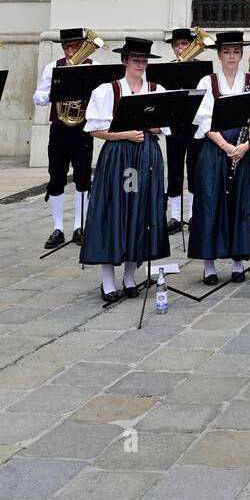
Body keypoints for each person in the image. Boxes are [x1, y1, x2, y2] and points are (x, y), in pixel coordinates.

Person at [80, 37, 169, 303]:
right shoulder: (107, 91)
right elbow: (95, 129)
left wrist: (148, 127)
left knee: (140, 212)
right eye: (135, 60)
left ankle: (130, 276)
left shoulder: (156, 89)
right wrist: (125, 134)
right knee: (114, 210)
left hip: (147, 156)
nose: (140, 64)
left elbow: (164, 126)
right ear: (125, 61)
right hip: (119, 158)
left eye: (144, 60)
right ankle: (108, 280)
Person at [188, 31, 250, 285]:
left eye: (236, 51)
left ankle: (237, 262)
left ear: (242, 55)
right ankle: (209, 265)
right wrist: (225, 145)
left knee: (241, 205)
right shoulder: (206, 81)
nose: (231, 56)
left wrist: (245, 145)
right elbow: (203, 120)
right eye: (226, 52)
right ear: (219, 55)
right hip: (215, 149)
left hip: (245, 150)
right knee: (212, 204)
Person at [32, 28, 95, 248]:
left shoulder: (92, 67)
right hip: (59, 129)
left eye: (75, 47)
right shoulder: (53, 67)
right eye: (67, 47)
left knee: (83, 179)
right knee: (56, 178)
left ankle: (80, 226)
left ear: (82, 47)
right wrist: (51, 95)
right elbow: (37, 97)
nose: (70, 51)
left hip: (82, 129)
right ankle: (58, 228)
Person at [164, 28, 206, 235]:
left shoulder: (202, 70)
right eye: (177, 45)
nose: (180, 48)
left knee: (195, 168)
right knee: (174, 168)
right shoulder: (167, 69)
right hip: (175, 126)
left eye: (184, 44)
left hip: (195, 125)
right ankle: (175, 215)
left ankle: (193, 214)